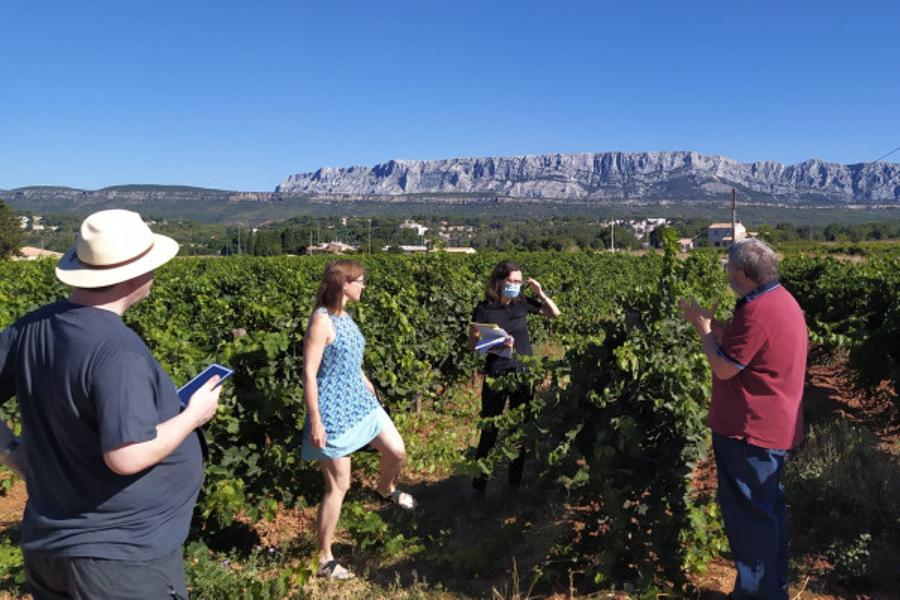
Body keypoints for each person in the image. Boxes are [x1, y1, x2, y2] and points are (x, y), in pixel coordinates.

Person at [0, 209, 223, 599]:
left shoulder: (30, 328)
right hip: (119, 560)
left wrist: (12, 450)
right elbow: (127, 455)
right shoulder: (117, 351)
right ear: (135, 275)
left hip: (52, 548)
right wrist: (193, 416)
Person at [679, 238, 807, 600]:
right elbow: (750, 348)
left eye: (728, 271)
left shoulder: (757, 312)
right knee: (768, 515)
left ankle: (756, 594)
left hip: (750, 432)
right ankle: (772, 589)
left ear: (741, 274)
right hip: (774, 429)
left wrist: (703, 330)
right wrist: (720, 327)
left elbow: (723, 367)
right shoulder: (780, 300)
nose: (726, 277)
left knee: (749, 522)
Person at [301, 259, 415, 580]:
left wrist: (363, 378)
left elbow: (346, 355)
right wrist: (315, 420)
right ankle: (325, 558)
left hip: (360, 400)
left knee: (396, 450)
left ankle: (385, 488)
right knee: (339, 485)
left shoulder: (345, 315)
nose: (363, 286)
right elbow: (310, 373)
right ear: (343, 284)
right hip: (333, 409)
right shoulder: (321, 321)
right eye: (359, 281)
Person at [467, 260, 560, 498]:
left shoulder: (522, 304)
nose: (516, 286)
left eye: (519, 282)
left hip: (522, 373)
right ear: (499, 281)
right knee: (489, 432)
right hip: (497, 374)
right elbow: (473, 345)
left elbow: (554, 313)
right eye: (512, 281)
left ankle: (513, 486)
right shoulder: (484, 309)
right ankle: (479, 490)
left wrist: (540, 293)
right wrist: (497, 342)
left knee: (520, 431)